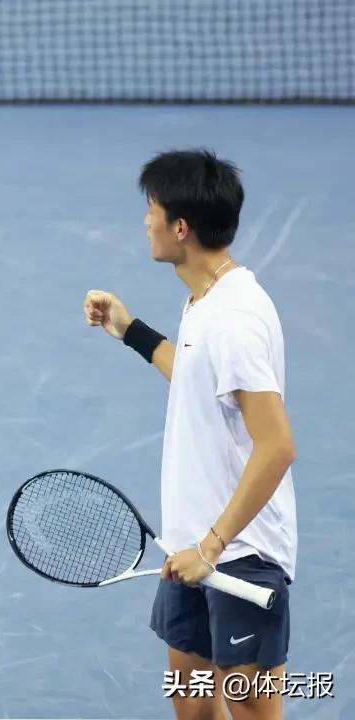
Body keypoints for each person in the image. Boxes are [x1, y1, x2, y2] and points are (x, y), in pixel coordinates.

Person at [83, 149, 297, 719]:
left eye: (151, 210)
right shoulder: (205, 299)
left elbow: (277, 447)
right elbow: (200, 381)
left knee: (249, 708)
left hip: (239, 550)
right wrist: (130, 330)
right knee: (193, 703)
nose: (145, 222)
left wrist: (212, 548)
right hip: (190, 546)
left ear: (180, 227)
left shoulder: (235, 320)